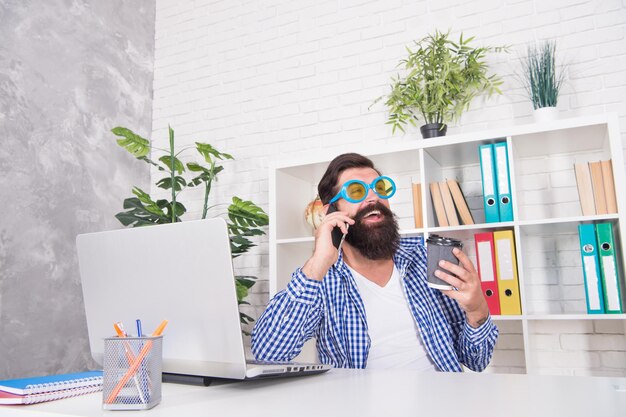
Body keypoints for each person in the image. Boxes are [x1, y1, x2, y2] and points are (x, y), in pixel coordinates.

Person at [251, 153, 498, 371]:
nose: (373, 198)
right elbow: (269, 354)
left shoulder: (426, 259)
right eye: (356, 191)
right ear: (330, 211)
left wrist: (477, 310)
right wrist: (318, 262)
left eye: (380, 188)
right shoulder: (320, 279)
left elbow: (476, 361)